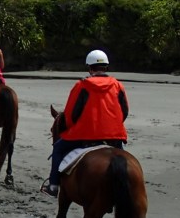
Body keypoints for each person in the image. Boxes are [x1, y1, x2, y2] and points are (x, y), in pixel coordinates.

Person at [40, 49, 129, 197]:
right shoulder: (118, 85)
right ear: (106, 67)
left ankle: (53, 186)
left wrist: (69, 127)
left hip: (85, 134)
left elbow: (71, 115)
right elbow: (124, 111)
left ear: (89, 68)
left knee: (58, 148)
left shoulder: (82, 85)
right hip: (114, 136)